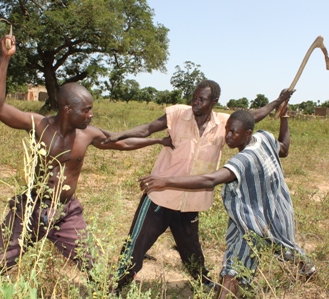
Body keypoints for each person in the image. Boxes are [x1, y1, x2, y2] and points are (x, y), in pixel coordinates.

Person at [0, 34, 172, 280]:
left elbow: (122, 142)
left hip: (66, 212)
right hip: (31, 208)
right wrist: (4, 59)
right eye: (87, 109)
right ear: (68, 109)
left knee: (96, 270)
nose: (91, 115)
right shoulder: (39, 125)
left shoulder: (87, 134)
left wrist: (158, 140)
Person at [102, 79, 294, 290]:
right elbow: (147, 129)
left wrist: (279, 101)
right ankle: (115, 286)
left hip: (191, 201)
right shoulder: (177, 114)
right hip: (160, 196)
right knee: (135, 246)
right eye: (194, 98)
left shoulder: (223, 124)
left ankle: (203, 284)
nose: (195, 103)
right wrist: (119, 134)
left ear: (214, 101)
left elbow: (254, 115)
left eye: (201, 99)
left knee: (191, 250)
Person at [138, 105, 316, 298]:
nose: (228, 136)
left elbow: (210, 179)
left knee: (280, 249)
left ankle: (305, 271)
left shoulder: (244, 159)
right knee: (241, 264)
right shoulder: (264, 138)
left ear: (247, 133)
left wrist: (165, 180)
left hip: (255, 219)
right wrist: (285, 118)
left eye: (234, 132)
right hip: (278, 213)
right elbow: (284, 148)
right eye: (227, 129)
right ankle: (307, 271)